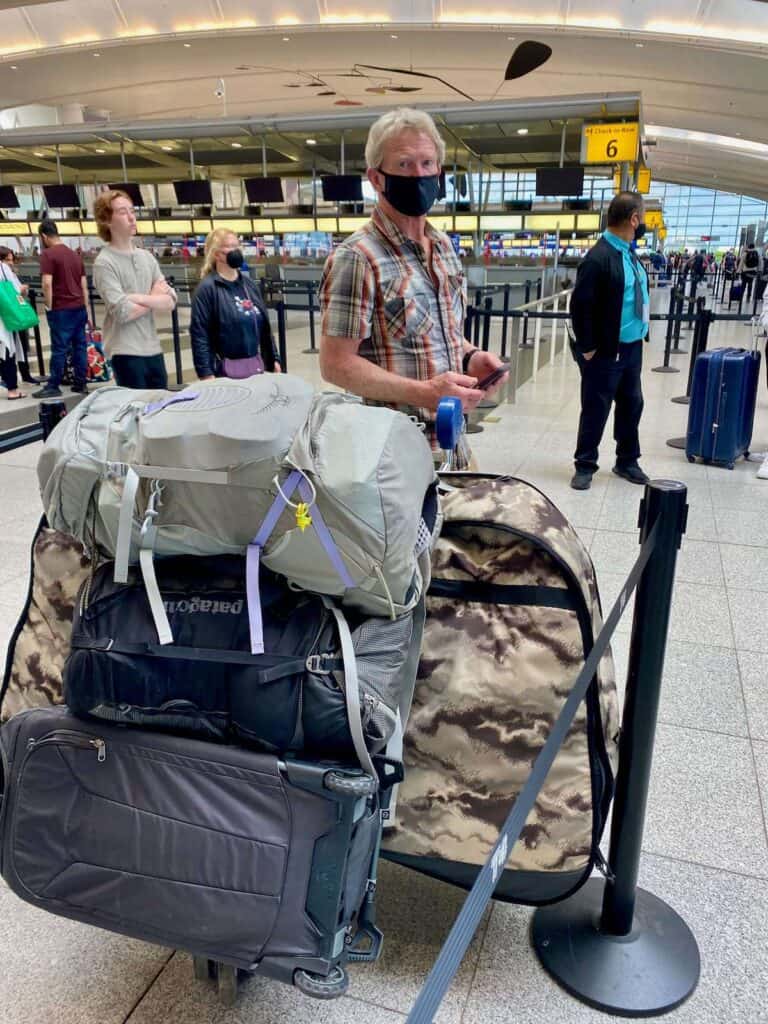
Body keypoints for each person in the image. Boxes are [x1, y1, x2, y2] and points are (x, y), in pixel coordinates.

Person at [318, 107, 506, 468]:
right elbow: (335, 364)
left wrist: (470, 356)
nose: (418, 174)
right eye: (404, 165)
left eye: (427, 163)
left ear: (440, 172)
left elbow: (438, 329)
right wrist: (425, 393)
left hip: (453, 443)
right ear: (376, 178)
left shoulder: (444, 248)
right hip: (391, 455)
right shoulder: (357, 257)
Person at [569, 191, 650, 491]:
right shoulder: (598, 257)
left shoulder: (628, 252)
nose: (642, 223)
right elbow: (580, 306)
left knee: (632, 404)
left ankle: (627, 460)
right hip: (605, 351)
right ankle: (585, 464)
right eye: (641, 217)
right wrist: (587, 348)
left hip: (631, 349)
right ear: (633, 219)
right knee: (596, 406)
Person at [92, 189, 176, 388]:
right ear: (106, 220)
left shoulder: (146, 257)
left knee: (158, 410)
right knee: (136, 412)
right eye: (122, 212)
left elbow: (171, 300)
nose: (131, 217)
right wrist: (154, 298)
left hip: (153, 349)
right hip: (125, 352)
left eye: (132, 210)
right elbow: (122, 312)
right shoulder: (104, 263)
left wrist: (138, 297)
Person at [190, 229, 280, 380]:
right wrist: (206, 373)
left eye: (236, 245)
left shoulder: (249, 285)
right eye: (228, 246)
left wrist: (274, 359)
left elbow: (264, 327)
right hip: (224, 371)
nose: (235, 250)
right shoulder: (207, 289)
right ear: (216, 254)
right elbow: (200, 334)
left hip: (255, 367)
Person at [32, 219, 90, 399]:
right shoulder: (75, 255)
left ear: (43, 236)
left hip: (61, 309)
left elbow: (47, 283)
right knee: (80, 346)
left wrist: (48, 306)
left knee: (59, 348)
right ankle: (80, 383)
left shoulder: (48, 255)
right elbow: (84, 285)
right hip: (79, 307)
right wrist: (86, 309)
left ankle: (53, 385)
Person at [0, 246, 26, 400]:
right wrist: (22, 288)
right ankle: (12, 390)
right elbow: (15, 290)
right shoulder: (2, 268)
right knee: (7, 351)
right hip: (3, 318)